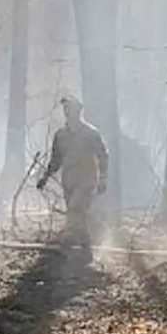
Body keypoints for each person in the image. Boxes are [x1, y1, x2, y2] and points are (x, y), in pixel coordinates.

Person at [36, 95, 109, 245]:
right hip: (69, 180)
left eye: (70, 108)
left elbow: (103, 155)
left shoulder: (91, 133)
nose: (67, 111)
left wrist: (103, 178)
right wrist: (45, 177)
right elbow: (55, 160)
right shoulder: (61, 135)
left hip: (87, 179)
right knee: (75, 212)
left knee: (75, 209)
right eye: (65, 108)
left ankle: (71, 241)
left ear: (78, 110)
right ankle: (84, 243)